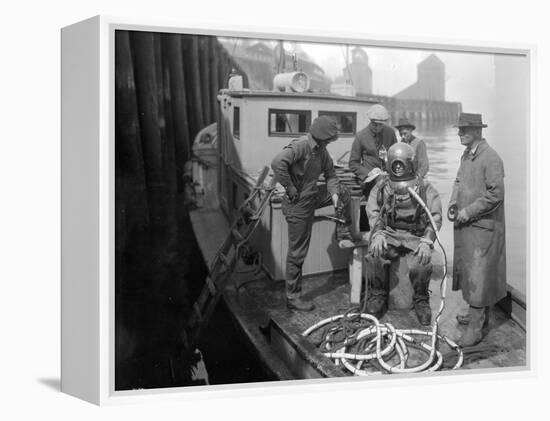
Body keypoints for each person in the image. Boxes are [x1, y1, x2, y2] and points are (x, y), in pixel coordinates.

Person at [271, 116, 350, 312]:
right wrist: (289, 187)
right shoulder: (301, 145)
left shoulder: (321, 152)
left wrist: (334, 197)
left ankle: (343, 229)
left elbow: (331, 175)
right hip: (297, 204)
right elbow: (277, 163)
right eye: (329, 139)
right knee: (298, 252)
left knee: (344, 191)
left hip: (312, 196)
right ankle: (293, 296)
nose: (331, 142)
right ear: (321, 136)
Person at [365, 143, 442, 325]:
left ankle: (421, 299)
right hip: (389, 233)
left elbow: (436, 217)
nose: (398, 168)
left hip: (415, 236)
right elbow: (373, 212)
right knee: (375, 254)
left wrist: (427, 241)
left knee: (421, 263)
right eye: (395, 165)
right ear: (389, 163)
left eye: (401, 164)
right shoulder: (383, 187)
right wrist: (377, 234)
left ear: (411, 164)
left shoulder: (424, 188)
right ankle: (378, 295)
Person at [449, 112, 506, 347]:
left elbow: (496, 195)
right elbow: (459, 181)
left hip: (482, 228)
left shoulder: (491, 158)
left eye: (464, 130)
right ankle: (475, 316)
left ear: (477, 132)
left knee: (479, 276)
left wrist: (468, 211)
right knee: (469, 273)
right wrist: (453, 202)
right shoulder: (467, 155)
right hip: (467, 226)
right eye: (460, 129)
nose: (459, 133)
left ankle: (475, 328)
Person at [349, 104, 398, 206]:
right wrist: (369, 173)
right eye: (375, 124)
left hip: (388, 177)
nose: (378, 127)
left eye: (381, 125)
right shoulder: (360, 136)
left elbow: (396, 156)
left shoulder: (390, 133)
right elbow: (353, 163)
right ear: (370, 121)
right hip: (369, 180)